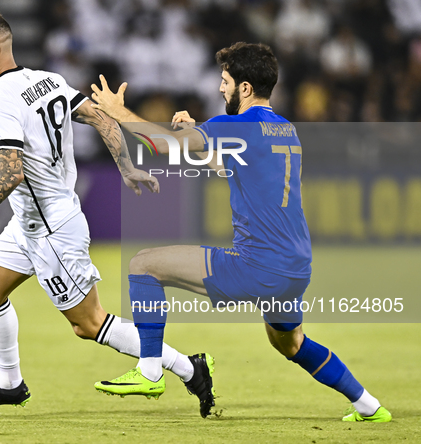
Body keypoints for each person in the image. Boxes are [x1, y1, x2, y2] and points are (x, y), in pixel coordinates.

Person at [90, 42, 391, 423]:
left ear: (244, 88)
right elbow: (228, 166)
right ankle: (368, 406)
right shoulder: (285, 130)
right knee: (289, 341)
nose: (220, 88)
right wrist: (192, 136)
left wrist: (118, 113)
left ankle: (150, 370)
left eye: (225, 80)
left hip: (259, 264)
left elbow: (162, 146)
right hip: (296, 266)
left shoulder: (235, 126)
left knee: (143, 264)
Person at [0, 8, 216, 418]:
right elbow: (98, 116)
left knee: (88, 324)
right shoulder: (46, 80)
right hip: (30, 223)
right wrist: (126, 166)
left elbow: (11, 170)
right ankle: (11, 384)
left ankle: (189, 368)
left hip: (52, 229)